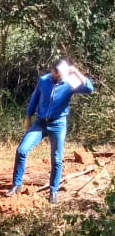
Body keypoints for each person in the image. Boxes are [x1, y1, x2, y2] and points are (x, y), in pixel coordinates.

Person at [7, 58, 94, 203]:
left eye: (60, 74)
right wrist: (28, 117)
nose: (57, 76)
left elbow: (89, 89)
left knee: (56, 159)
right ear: (52, 70)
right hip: (40, 123)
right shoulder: (44, 80)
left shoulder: (70, 81)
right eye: (55, 72)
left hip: (58, 125)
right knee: (21, 150)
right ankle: (16, 185)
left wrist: (76, 72)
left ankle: (53, 192)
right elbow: (34, 99)